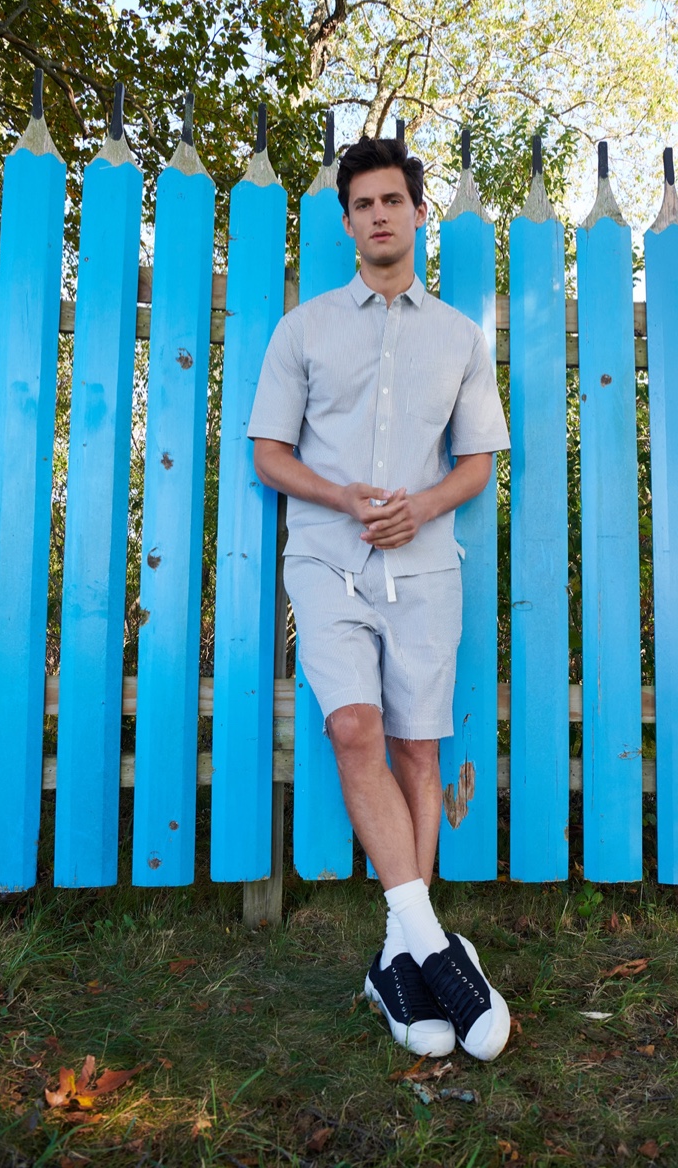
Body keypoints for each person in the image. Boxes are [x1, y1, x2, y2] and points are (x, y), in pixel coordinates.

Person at [248, 136, 511, 1061]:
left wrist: (421, 508)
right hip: (326, 561)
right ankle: (438, 949)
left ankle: (398, 960)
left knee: (416, 747)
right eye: (362, 205)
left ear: (416, 211)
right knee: (353, 730)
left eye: (392, 200)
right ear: (348, 220)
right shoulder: (305, 328)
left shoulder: (458, 337)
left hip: (427, 569)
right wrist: (342, 496)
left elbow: (476, 463)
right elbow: (269, 454)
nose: (378, 216)